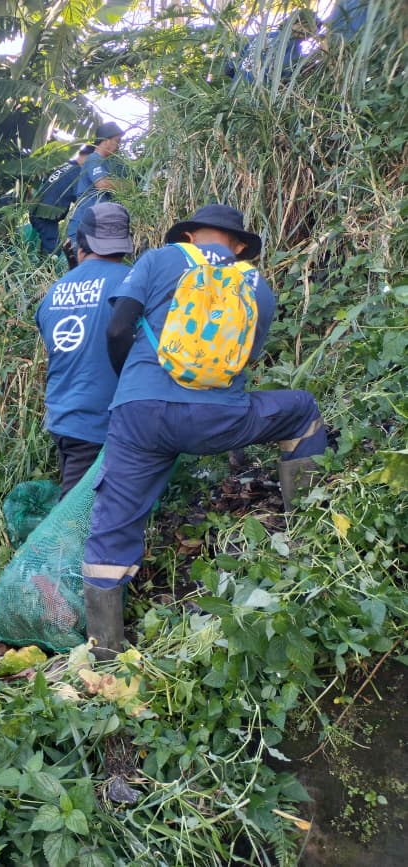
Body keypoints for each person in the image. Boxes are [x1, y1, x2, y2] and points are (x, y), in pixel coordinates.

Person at [82, 204, 327, 656]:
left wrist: (133, 387)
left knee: (113, 523)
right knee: (302, 410)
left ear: (190, 236)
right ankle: (310, 537)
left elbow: (117, 330)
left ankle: (104, 651)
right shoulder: (255, 284)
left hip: (140, 415)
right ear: (239, 246)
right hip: (219, 419)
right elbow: (242, 360)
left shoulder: (159, 259)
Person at [36, 203, 134, 496]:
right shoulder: (133, 282)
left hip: (63, 417)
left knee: (82, 502)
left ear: (81, 247)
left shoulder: (54, 291)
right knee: (82, 515)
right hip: (103, 422)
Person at [65, 122, 125, 262]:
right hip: (84, 229)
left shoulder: (108, 163)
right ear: (106, 141)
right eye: (117, 141)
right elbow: (102, 184)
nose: (119, 145)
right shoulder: (94, 159)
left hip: (95, 228)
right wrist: (125, 186)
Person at [29, 144, 95, 256]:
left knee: (47, 246)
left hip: (40, 211)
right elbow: (81, 198)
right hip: (45, 215)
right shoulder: (77, 172)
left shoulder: (67, 166)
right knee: (53, 250)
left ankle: (42, 263)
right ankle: (47, 265)